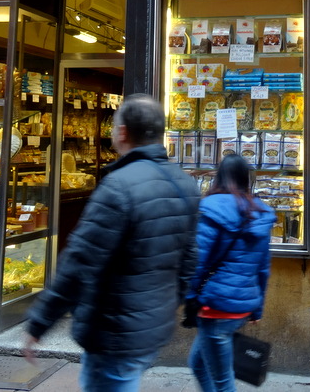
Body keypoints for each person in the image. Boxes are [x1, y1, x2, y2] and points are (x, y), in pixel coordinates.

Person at [23, 94, 199, 392]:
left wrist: (40, 321)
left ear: (122, 132)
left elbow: (79, 261)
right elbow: (190, 260)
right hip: (152, 328)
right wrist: (166, 303)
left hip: (113, 330)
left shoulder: (117, 187)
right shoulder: (185, 184)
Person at [188, 154, 276, 392]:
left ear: (219, 177)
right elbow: (263, 268)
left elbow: (198, 261)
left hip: (216, 307)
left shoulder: (211, 209)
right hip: (241, 306)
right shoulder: (260, 212)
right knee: (197, 363)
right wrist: (257, 308)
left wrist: (188, 297)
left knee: (223, 382)